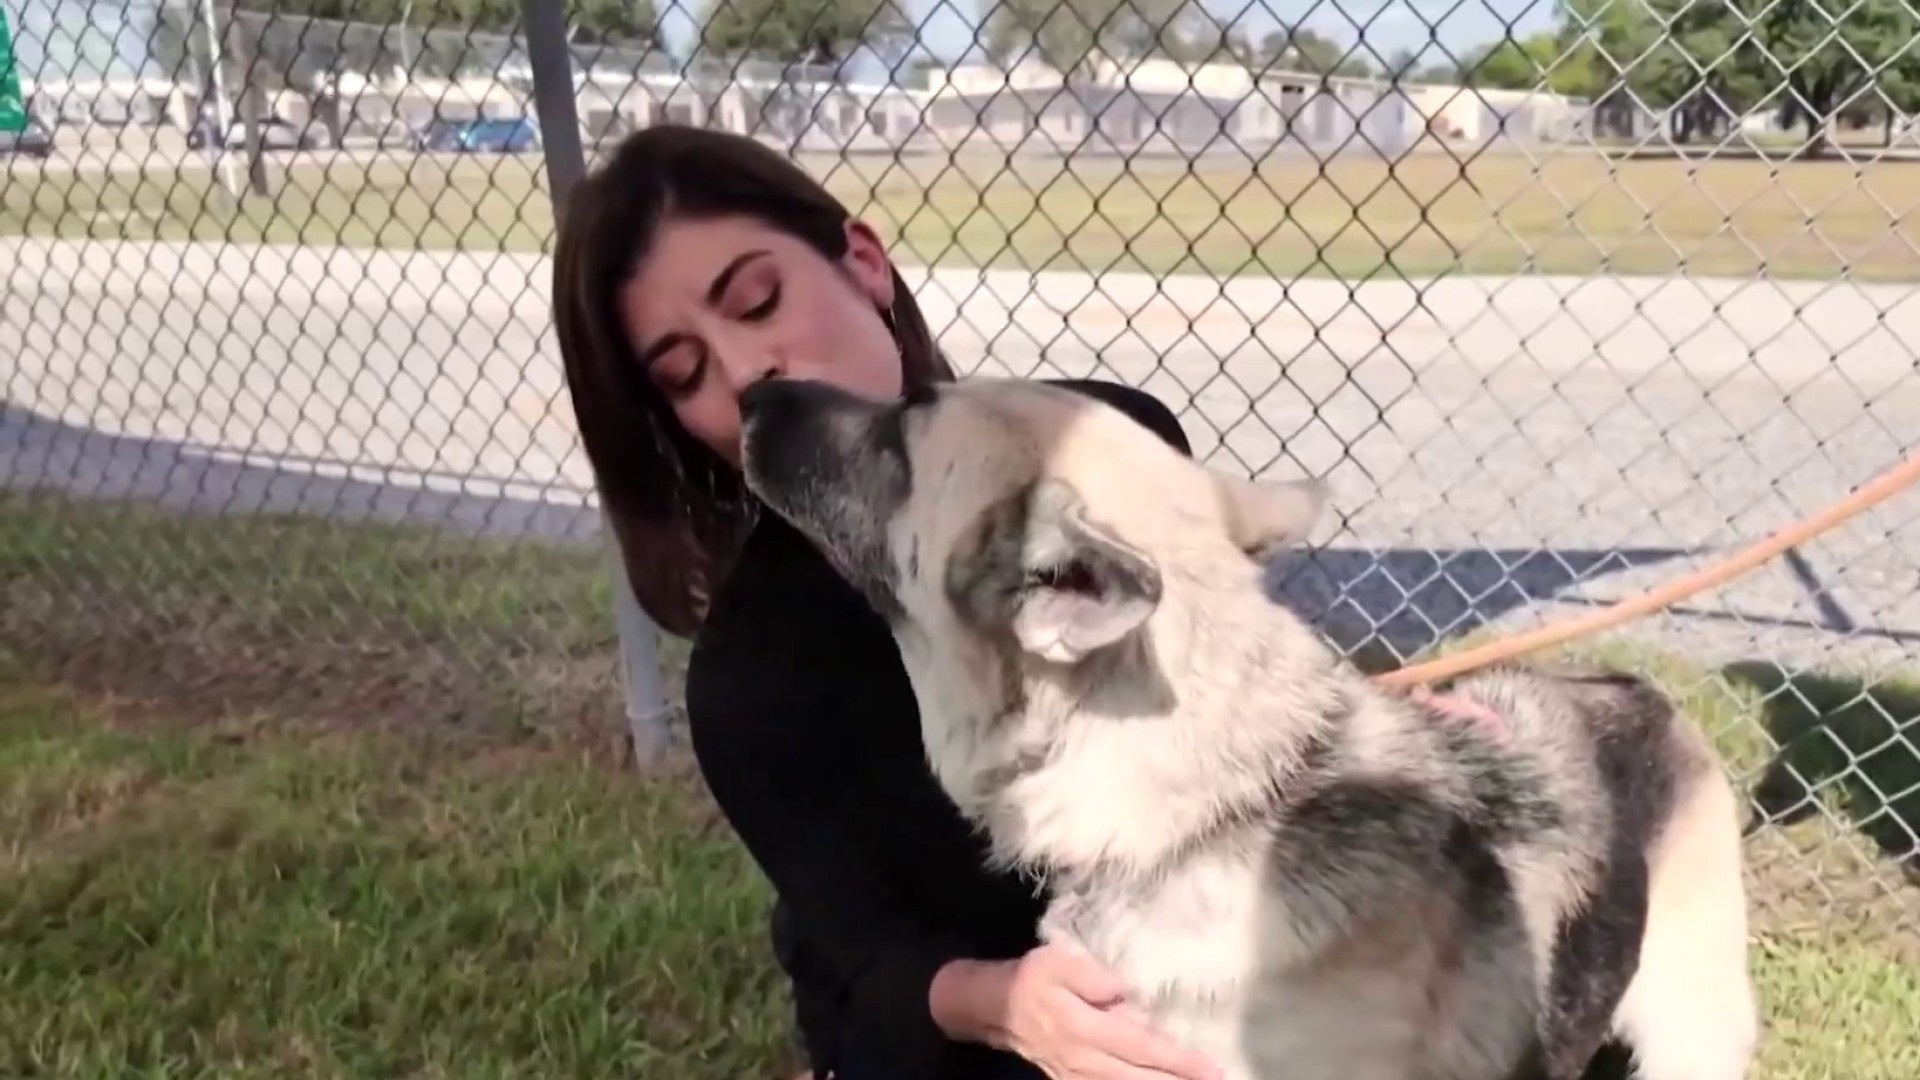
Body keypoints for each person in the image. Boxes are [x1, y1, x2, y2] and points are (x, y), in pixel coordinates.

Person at [551, 123, 1228, 1080]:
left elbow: (1220, 688)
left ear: (863, 263)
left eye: (757, 301)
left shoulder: (1115, 445)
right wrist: (1018, 1006)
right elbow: (868, 963)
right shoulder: (753, 680)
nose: (747, 374)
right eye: (686, 374)